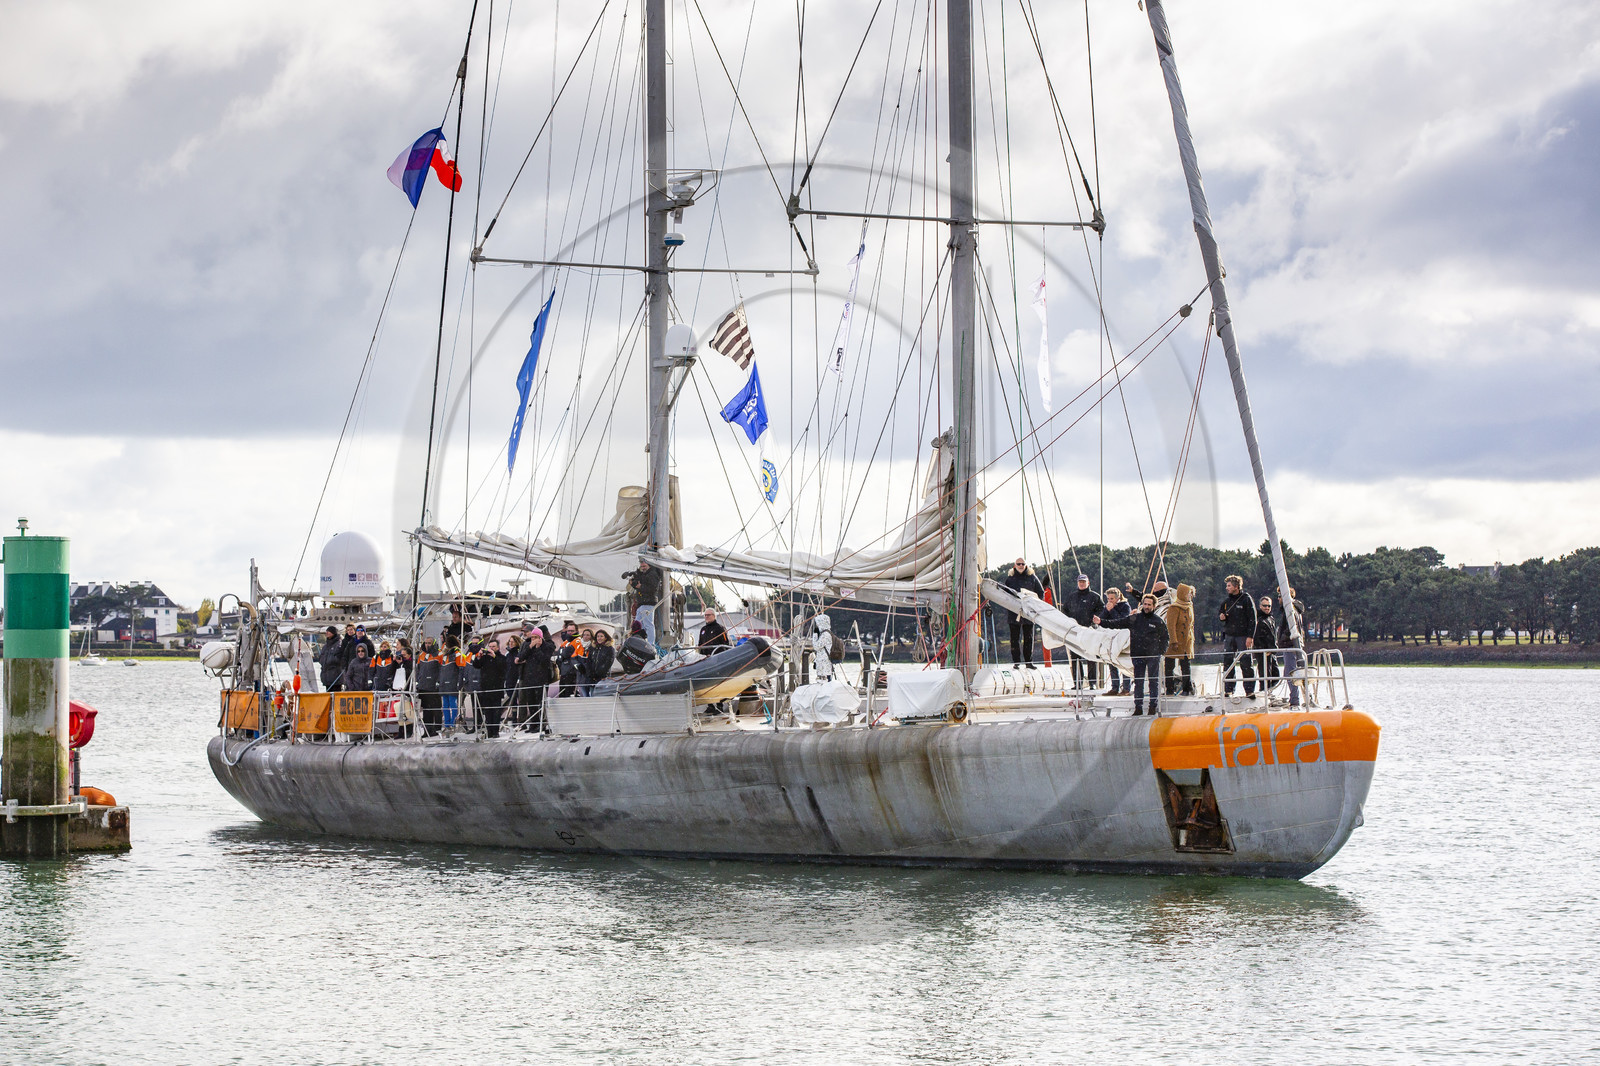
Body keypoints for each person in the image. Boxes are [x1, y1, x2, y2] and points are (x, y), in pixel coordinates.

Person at [1095, 593, 1170, 716]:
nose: (1146, 606)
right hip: (1138, 655)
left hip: (1152, 656)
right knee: (1138, 682)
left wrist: (1160, 652)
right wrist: (1101, 622)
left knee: (1153, 681)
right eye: (1145, 604)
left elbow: (1165, 638)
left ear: (1154, 606)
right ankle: (1138, 707)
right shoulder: (1135, 618)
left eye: (1149, 605)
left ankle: (1152, 706)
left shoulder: (1158, 621)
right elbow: (1117, 623)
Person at [1061, 574, 1105, 690]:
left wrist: (1094, 621)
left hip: (1090, 631)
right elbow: (1064, 610)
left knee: (1091, 657)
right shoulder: (1072, 597)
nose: (1081, 583)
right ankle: (1077, 683)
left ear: (1088, 583)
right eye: (1080, 581)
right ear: (1077, 583)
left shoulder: (1095, 596)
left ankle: (1092, 683)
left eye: (1084, 582)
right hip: (1074, 632)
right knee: (1075, 658)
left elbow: (1102, 610)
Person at [1217, 575, 1258, 697]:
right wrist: (1221, 617)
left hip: (1243, 636)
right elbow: (1220, 612)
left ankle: (1249, 690)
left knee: (1246, 663)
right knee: (1228, 662)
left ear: (1236, 586)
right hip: (1229, 636)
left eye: (1229, 586)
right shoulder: (1226, 601)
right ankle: (1229, 689)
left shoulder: (1246, 599)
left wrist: (1250, 637)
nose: (1227, 588)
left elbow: (1252, 619)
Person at [1001, 557, 1046, 668]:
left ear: (1026, 565)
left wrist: (1035, 606)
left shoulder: (1032, 578)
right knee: (1014, 639)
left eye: (1022, 564)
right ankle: (1016, 662)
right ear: (1015, 565)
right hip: (1014, 612)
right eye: (1018, 564)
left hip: (1029, 612)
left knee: (1028, 639)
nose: (1021, 566)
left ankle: (1028, 662)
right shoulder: (1010, 579)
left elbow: (1041, 593)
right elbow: (1004, 595)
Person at [519, 628, 556, 731]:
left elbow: (544, 660)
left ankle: (541, 724)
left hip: (541, 677)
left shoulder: (547, 646)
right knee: (531, 702)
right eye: (532, 638)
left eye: (536, 637)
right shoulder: (527, 645)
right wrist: (530, 647)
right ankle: (533, 723)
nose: (534, 639)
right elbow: (521, 657)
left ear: (540, 637)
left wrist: (538, 648)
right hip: (529, 677)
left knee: (540, 701)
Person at [1164, 583, 1196, 697]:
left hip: (1187, 641)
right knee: (1169, 666)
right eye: (1188, 594)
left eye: (1191, 594)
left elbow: (1191, 625)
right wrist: (1173, 641)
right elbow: (1170, 626)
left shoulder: (1190, 606)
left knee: (1186, 665)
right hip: (1175, 641)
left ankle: (1187, 688)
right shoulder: (1174, 608)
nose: (1190, 596)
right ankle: (1169, 689)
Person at [1277, 586, 1306, 707]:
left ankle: (1295, 700)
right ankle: (1295, 698)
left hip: (1290, 645)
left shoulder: (1290, 610)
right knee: (1290, 672)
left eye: (1280, 596)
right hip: (1293, 645)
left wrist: (1282, 640)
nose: (1278, 599)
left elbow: (1290, 629)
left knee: (1290, 672)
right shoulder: (1295, 609)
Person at [1099, 588, 1131, 695]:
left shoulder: (1125, 606)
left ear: (1118, 598)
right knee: (1111, 662)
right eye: (1108, 599)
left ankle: (1126, 688)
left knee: (1123, 662)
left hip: (1122, 637)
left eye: (1112, 598)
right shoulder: (1107, 606)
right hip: (1110, 636)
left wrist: (1112, 610)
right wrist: (1107, 610)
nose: (1110, 601)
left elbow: (1122, 620)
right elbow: (1101, 620)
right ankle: (1115, 687)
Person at [624, 561, 664, 646]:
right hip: (641, 603)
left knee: (648, 624)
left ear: (648, 564)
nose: (642, 566)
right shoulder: (643, 574)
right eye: (641, 565)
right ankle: (638, 641)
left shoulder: (652, 574)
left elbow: (653, 588)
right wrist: (634, 584)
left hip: (648, 602)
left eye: (644, 565)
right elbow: (639, 585)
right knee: (637, 624)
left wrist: (640, 587)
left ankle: (650, 644)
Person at [474, 638, 507, 737]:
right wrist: (478, 657)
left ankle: (495, 731)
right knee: (487, 712)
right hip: (486, 688)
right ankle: (489, 731)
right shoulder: (485, 658)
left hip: (496, 688)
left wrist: (495, 657)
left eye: (493, 647)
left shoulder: (501, 657)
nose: (491, 648)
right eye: (490, 646)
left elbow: (503, 668)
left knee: (496, 712)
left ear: (497, 647)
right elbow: (476, 665)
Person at [414, 640, 443, 735]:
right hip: (423, 686)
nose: (427, 645)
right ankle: (427, 730)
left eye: (429, 643)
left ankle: (437, 728)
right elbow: (418, 669)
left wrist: (438, 682)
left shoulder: (439, 654)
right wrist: (418, 681)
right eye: (426, 643)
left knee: (436, 709)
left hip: (433, 686)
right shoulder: (422, 655)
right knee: (426, 710)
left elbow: (441, 669)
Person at [1255, 596, 1281, 694]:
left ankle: (1268, 692)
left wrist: (1273, 648)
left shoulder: (1271, 618)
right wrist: (1263, 649)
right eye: (1264, 606)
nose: (1267, 608)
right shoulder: (1257, 619)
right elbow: (1256, 636)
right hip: (1262, 651)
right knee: (1265, 675)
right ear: (1260, 606)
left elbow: (1273, 635)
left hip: (1272, 650)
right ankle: (1263, 693)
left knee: (1276, 675)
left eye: (1269, 606)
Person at [556, 620, 585, 698]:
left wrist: (562, 655)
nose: (570, 632)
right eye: (568, 631)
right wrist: (562, 656)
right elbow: (559, 656)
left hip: (573, 673)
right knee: (562, 695)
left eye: (572, 631)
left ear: (576, 631)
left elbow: (565, 653)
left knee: (571, 695)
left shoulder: (578, 641)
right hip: (564, 672)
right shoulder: (566, 642)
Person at [583, 630, 616, 694]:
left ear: (605, 638)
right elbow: (589, 661)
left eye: (601, 636)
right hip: (592, 678)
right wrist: (590, 674)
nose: (599, 638)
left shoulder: (610, 649)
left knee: (602, 695)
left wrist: (599, 673)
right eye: (598, 636)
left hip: (603, 678)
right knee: (592, 695)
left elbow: (608, 663)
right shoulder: (592, 648)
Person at [316, 626, 344, 691]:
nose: (327, 633)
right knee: (328, 694)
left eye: (329, 631)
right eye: (326, 631)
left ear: (333, 633)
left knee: (336, 694)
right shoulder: (325, 646)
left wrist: (331, 660)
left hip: (336, 676)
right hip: (326, 676)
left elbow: (340, 658)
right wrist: (323, 661)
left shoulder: (339, 644)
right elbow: (321, 657)